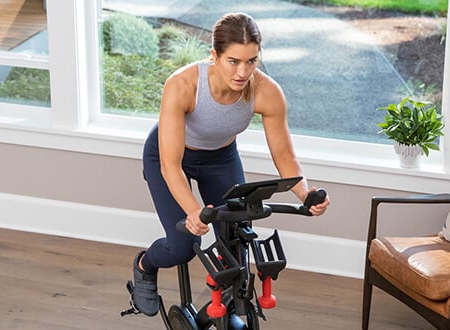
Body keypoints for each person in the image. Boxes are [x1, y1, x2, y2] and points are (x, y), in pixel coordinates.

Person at [129, 12, 332, 316]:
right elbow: (171, 165)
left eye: (251, 61)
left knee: (236, 240)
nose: (243, 72)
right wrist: (193, 211)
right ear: (214, 55)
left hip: (220, 158)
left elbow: (285, 156)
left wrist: (304, 194)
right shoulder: (183, 85)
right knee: (182, 246)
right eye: (233, 61)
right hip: (169, 155)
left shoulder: (267, 92)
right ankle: (146, 265)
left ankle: (228, 305)